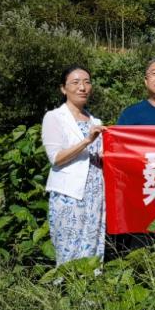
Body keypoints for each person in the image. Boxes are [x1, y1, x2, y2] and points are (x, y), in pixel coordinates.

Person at [41, 65, 106, 266]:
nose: (82, 87)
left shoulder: (96, 121)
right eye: (76, 82)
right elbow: (56, 158)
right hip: (69, 195)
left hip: (96, 194)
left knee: (93, 248)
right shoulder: (54, 117)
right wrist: (87, 141)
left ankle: (92, 287)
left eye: (87, 82)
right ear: (63, 88)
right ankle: (66, 286)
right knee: (68, 248)